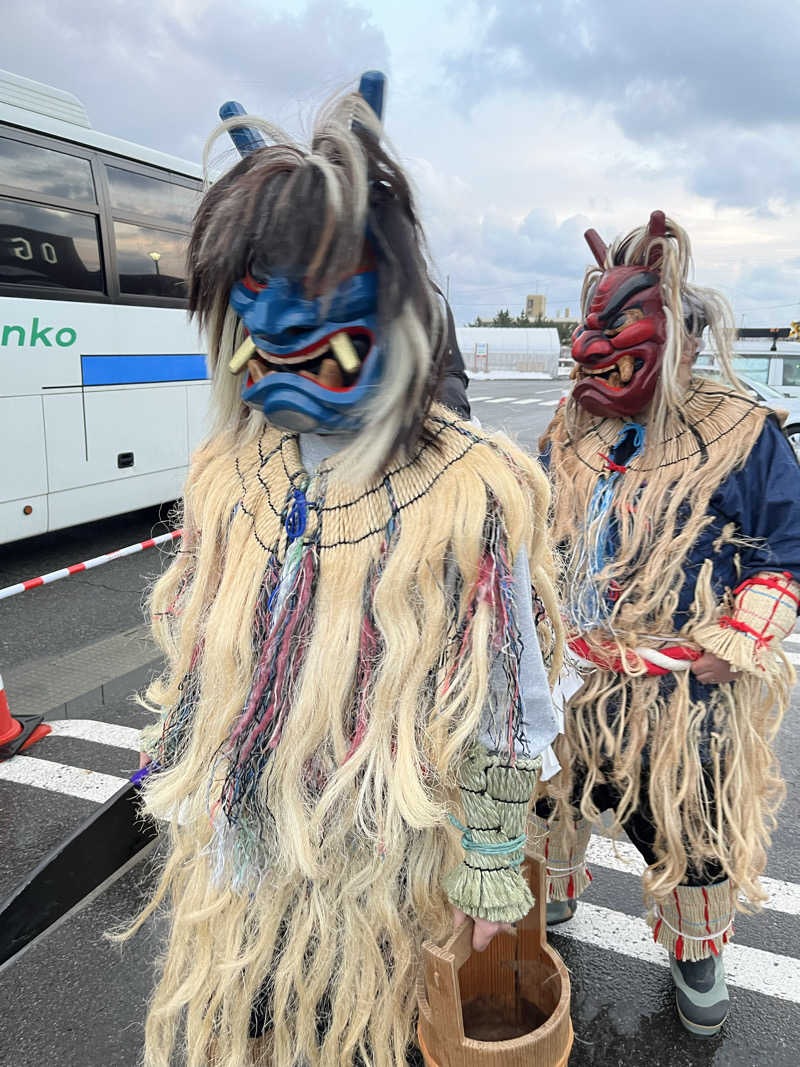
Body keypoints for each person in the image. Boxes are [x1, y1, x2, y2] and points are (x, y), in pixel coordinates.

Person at [130, 85, 562, 1067]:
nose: (280, 318)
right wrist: (183, 754)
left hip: (385, 858)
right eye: (255, 284)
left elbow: (507, 704)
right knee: (254, 1025)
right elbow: (211, 636)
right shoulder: (234, 471)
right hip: (247, 856)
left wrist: (492, 860)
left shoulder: (468, 489)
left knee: (375, 1031)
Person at [533, 211, 800, 1037]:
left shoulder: (740, 433)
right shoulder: (574, 430)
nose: (590, 349)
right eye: (589, 329)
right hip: (576, 676)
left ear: (680, 339)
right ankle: (555, 895)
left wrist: (742, 639)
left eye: (614, 332)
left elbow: (784, 551)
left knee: (690, 826)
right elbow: (535, 528)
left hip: (681, 691)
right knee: (552, 801)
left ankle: (695, 949)